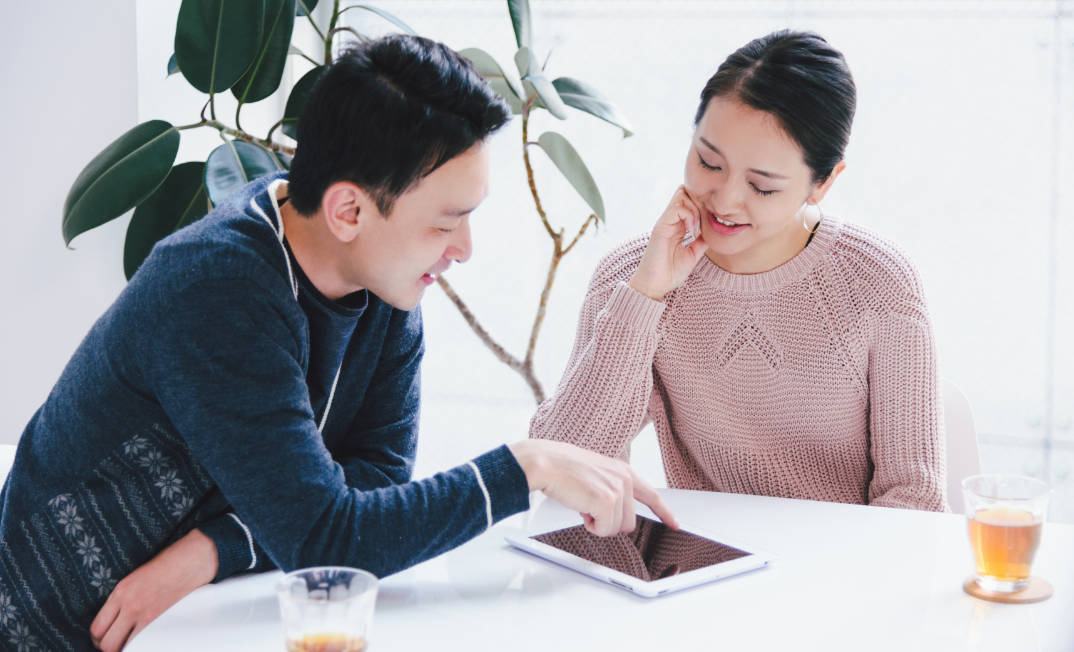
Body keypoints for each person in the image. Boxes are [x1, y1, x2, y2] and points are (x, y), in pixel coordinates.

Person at [0, 35, 676, 652]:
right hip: (70, 628)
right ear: (348, 210)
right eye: (447, 224)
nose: (464, 250)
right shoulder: (217, 290)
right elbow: (331, 535)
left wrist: (216, 547)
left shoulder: (383, 284)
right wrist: (524, 467)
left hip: (210, 610)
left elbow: (375, 479)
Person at [530, 30, 947, 513]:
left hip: (841, 573)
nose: (724, 201)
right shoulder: (631, 276)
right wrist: (645, 296)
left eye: (763, 187)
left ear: (824, 183)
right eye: (708, 162)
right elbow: (564, 468)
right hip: (701, 568)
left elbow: (914, 497)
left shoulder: (877, 283)